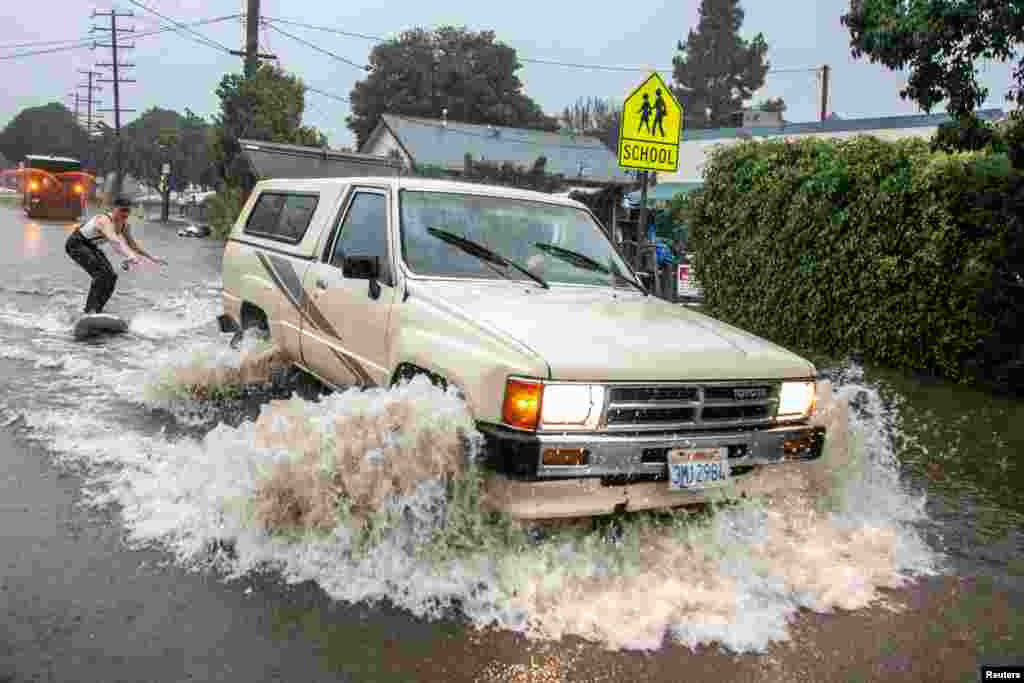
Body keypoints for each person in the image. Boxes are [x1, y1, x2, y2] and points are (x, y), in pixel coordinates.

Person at [65, 197, 167, 315]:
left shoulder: (124, 225)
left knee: (112, 277)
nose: (125, 214)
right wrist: (129, 255)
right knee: (101, 274)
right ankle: (89, 311)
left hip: (91, 247)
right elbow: (114, 241)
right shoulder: (103, 220)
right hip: (76, 244)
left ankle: (98, 310)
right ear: (114, 209)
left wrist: (151, 258)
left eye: (128, 211)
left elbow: (132, 244)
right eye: (122, 210)